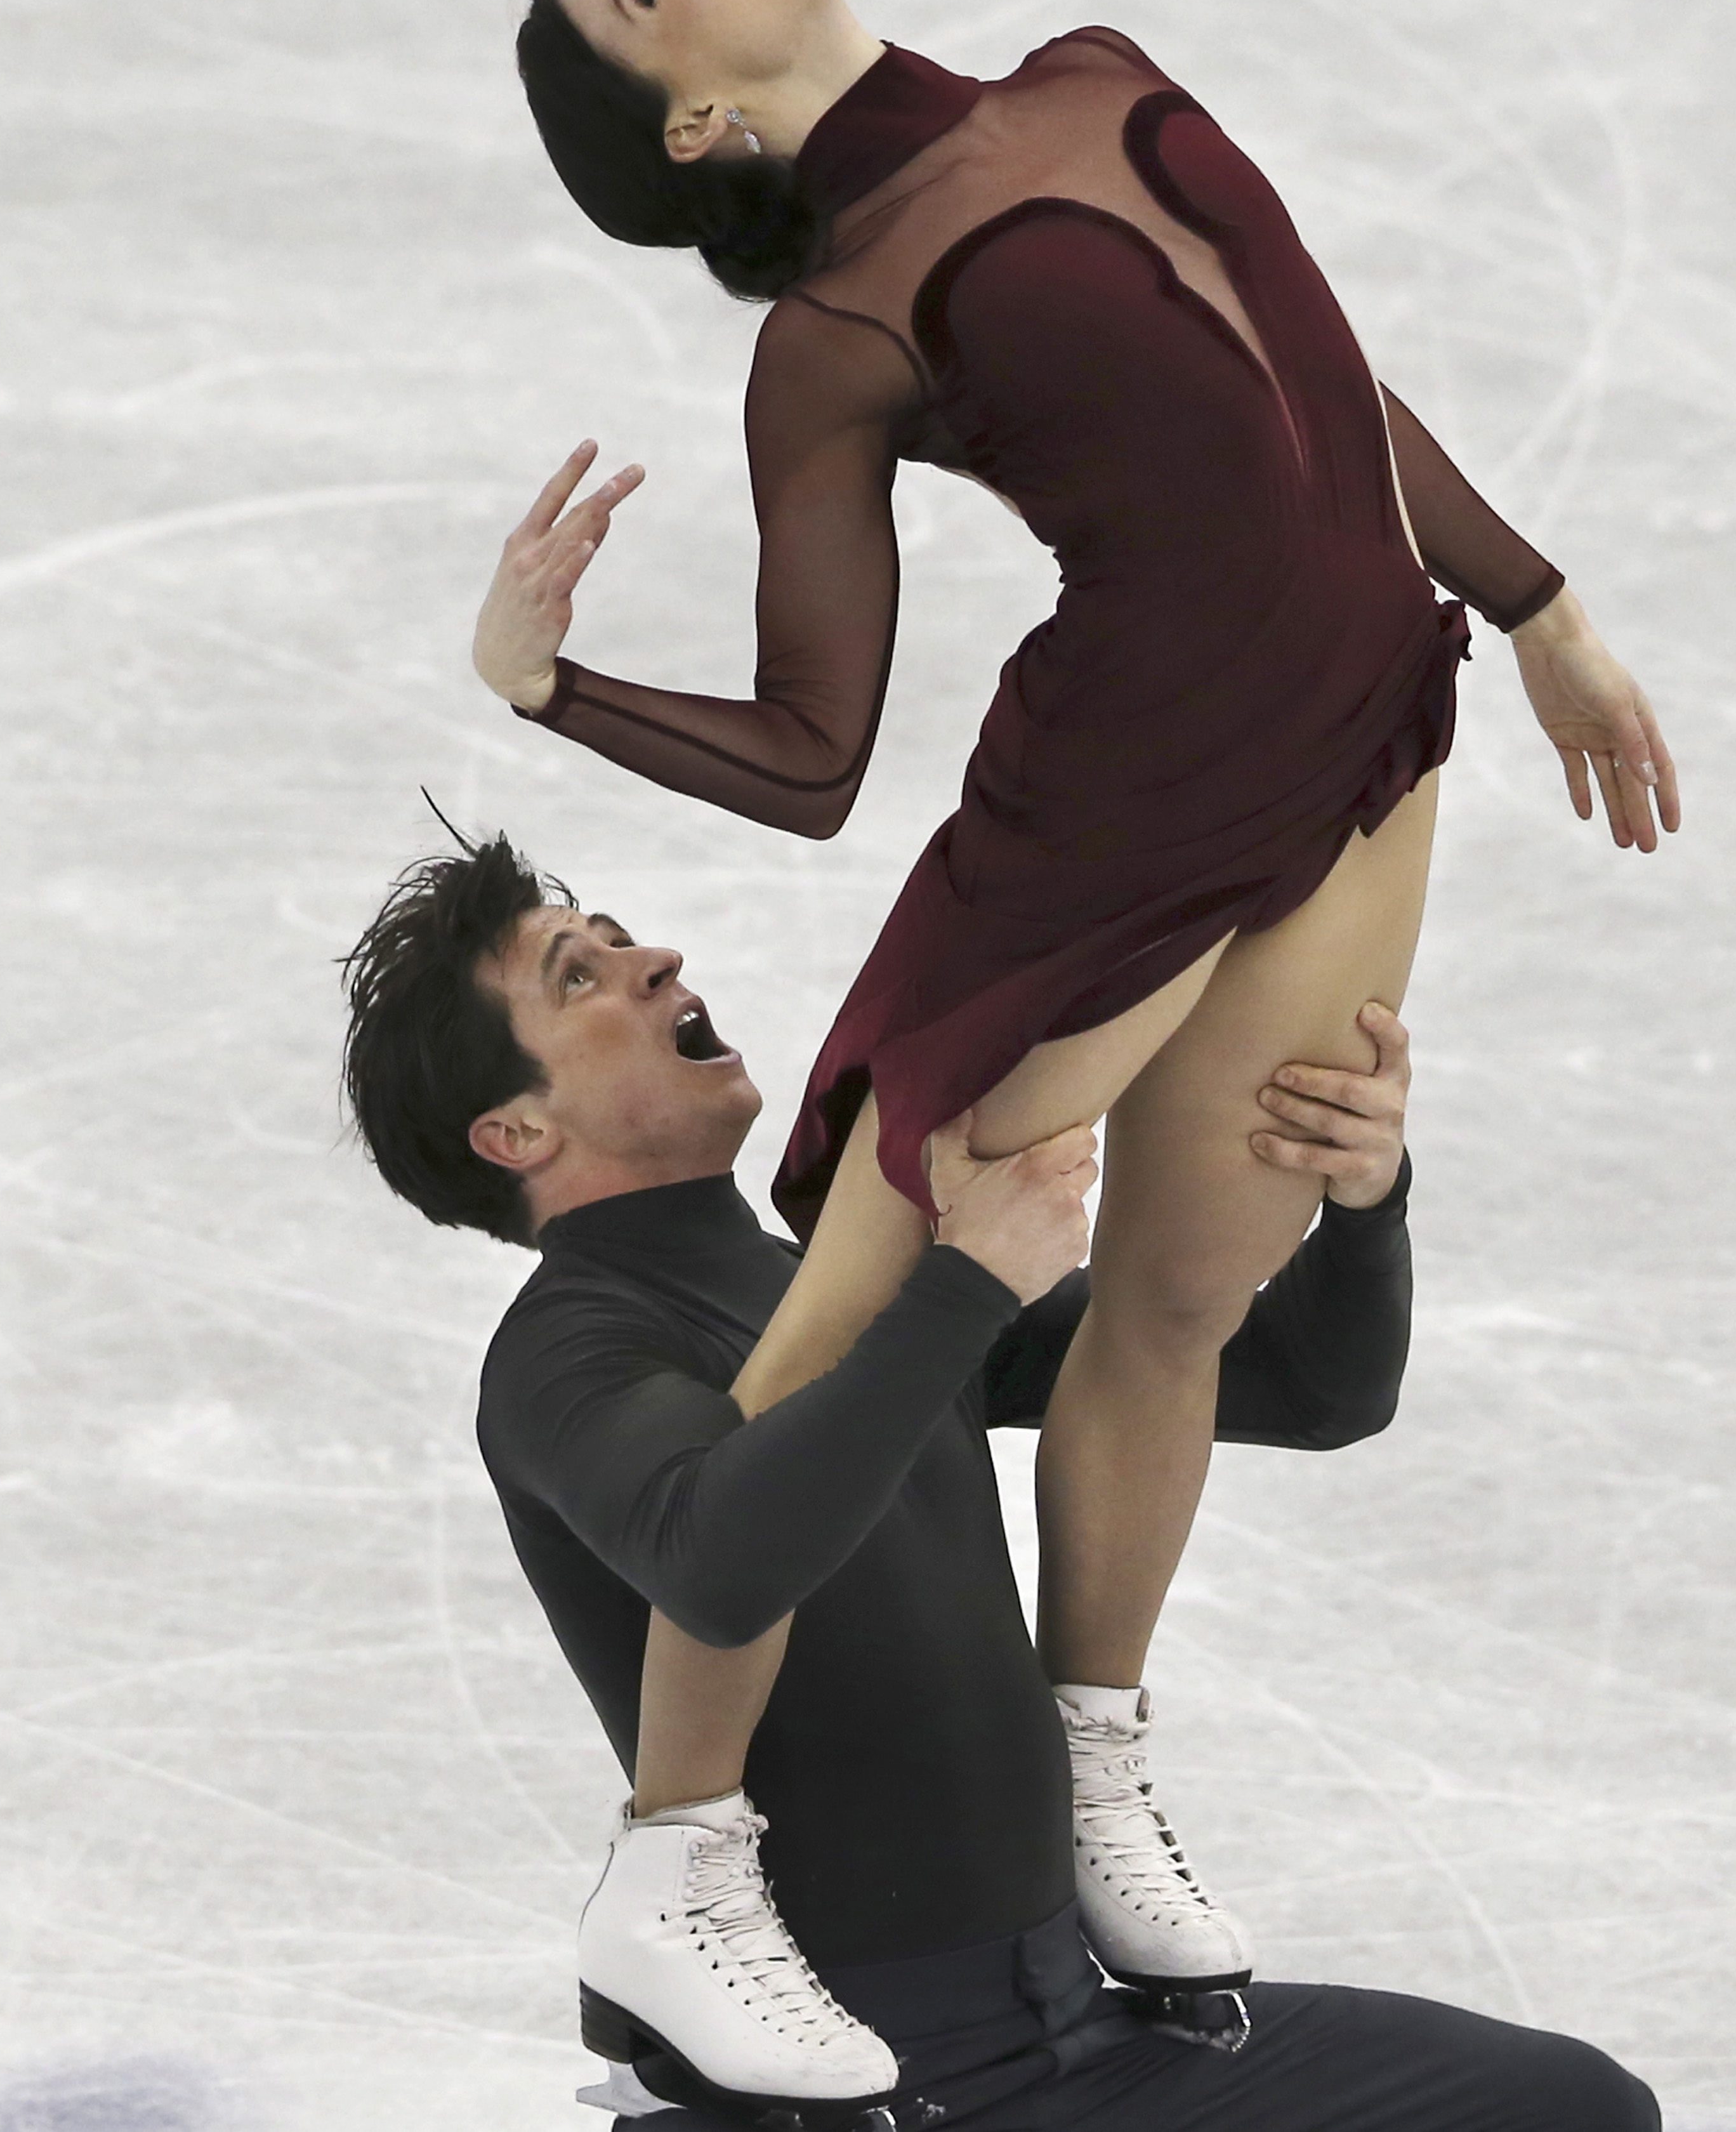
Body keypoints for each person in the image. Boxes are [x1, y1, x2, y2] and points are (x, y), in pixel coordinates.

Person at [480, 0, 1681, 2116]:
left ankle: (1093, 1756)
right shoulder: (839, 326)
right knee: (852, 1311)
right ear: (707, 119)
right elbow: (816, 747)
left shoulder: (1077, 71)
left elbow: (1328, 389)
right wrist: (547, 688)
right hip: (1112, 802)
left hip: (1355, 747)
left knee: (1189, 1287)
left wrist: (1537, 606)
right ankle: (680, 1862)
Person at [339, 831, 1663, 2132]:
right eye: (579, 976)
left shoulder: (834, 1281)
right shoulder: (569, 1351)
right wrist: (963, 1288)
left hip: (1068, 2031)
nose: (652, 960)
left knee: (1569, 2109)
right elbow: (719, 1556)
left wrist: (1365, 1197)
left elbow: (1314, 1386)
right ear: (514, 1130)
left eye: (622, 941)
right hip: (835, 2082)